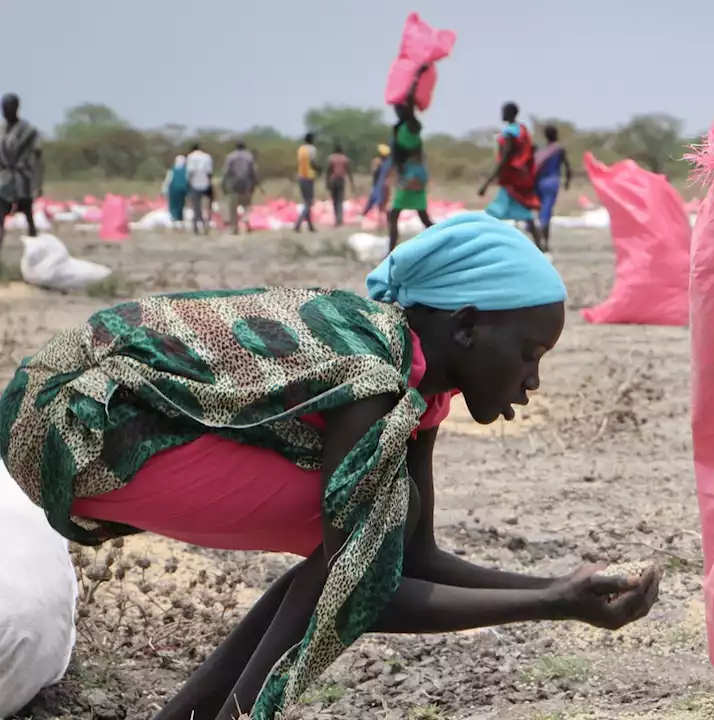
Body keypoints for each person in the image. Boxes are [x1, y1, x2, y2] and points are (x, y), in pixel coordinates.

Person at [0, 211, 664, 720]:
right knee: (354, 547)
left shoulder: (419, 388)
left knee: (366, 535)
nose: (533, 381)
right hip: (75, 422)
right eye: (528, 353)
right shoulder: (371, 376)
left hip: (102, 419)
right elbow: (364, 587)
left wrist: (560, 585)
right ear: (466, 327)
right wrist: (553, 603)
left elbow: (416, 557)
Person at [479, 102, 544, 251]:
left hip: (510, 180)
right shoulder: (522, 130)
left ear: (510, 113)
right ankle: (539, 247)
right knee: (524, 214)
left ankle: (489, 246)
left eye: (504, 111)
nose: (502, 114)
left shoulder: (509, 132)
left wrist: (487, 182)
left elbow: (506, 156)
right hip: (519, 178)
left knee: (493, 213)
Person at [389, 64, 435, 252]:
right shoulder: (400, 127)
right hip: (409, 172)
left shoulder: (412, 125)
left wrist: (416, 76)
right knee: (416, 214)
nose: (397, 110)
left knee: (398, 213)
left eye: (400, 108)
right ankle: (391, 250)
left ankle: (391, 250)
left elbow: (409, 102)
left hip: (413, 173)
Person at [0, 93, 44, 253]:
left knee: (27, 214)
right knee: (1, 214)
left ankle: (35, 250)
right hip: (4, 178)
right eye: (3, 108)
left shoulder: (28, 130)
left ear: (16, 108)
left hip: (22, 179)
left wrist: (37, 183)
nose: (5, 111)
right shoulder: (1, 128)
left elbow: (38, 157)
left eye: (9, 108)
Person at [533, 125, 572, 252]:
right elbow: (567, 167)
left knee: (542, 211)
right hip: (552, 182)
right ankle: (543, 236)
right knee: (547, 211)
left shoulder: (541, 151)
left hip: (538, 183)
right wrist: (567, 181)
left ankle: (543, 243)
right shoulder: (559, 150)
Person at [222, 140, 258, 235]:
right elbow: (253, 171)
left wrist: (224, 184)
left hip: (234, 183)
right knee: (246, 204)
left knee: (233, 206)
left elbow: (226, 171)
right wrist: (254, 183)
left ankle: (234, 228)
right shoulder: (249, 156)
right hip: (246, 183)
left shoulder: (230, 156)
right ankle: (245, 219)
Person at [325, 142, 356, 228]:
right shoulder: (345, 159)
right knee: (340, 200)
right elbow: (349, 171)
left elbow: (328, 171)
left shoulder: (331, 158)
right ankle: (339, 219)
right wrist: (352, 183)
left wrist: (327, 182)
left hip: (333, 180)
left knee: (334, 200)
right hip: (341, 180)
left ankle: (336, 220)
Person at [294, 132, 321, 233]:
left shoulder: (300, 149)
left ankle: (310, 226)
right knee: (309, 202)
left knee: (306, 202)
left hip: (301, 176)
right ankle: (298, 224)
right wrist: (319, 169)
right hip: (309, 177)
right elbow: (313, 162)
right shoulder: (312, 149)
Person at [185, 143, 215, 235]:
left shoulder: (191, 157)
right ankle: (206, 224)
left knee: (196, 207)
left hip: (195, 184)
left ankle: (196, 227)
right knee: (207, 206)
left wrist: (189, 183)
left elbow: (191, 171)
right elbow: (209, 172)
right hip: (206, 184)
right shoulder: (207, 157)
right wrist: (210, 183)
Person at [363, 143, 393, 230]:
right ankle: (388, 221)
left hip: (379, 185)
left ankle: (380, 222)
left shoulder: (377, 161)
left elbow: (374, 173)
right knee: (385, 204)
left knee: (379, 204)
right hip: (387, 185)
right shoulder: (390, 162)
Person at [161, 155, 189, 228]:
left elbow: (168, 180)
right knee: (181, 204)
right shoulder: (186, 170)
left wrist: (163, 190)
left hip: (174, 189)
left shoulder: (172, 170)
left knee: (173, 205)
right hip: (183, 189)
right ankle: (180, 219)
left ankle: (174, 219)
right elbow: (188, 180)